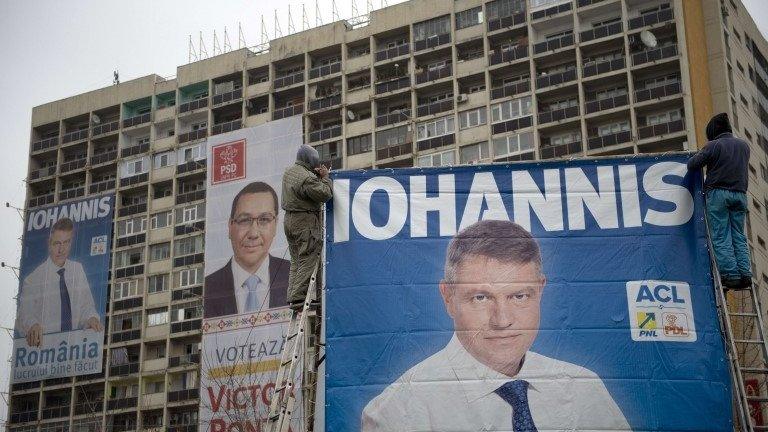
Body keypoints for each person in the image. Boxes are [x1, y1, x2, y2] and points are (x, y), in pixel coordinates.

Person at [362, 220, 630, 431]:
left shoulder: (583, 387)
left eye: (519, 296)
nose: (502, 320)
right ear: (448, 298)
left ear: (540, 291)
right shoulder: (398, 411)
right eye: (480, 297)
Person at [204, 182, 290, 318]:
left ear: (275, 225)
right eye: (244, 220)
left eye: (264, 219)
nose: (253, 233)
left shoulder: (294, 277)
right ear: (230, 226)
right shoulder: (207, 288)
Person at [687, 112, 752, 289]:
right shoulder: (744, 146)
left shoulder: (714, 145)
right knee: (738, 235)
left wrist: (703, 152)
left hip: (718, 195)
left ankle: (731, 275)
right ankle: (745, 274)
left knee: (721, 235)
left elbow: (692, 164)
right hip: (740, 195)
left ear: (713, 131)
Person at [15, 217, 102, 347]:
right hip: (45, 352)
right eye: (57, 243)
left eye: (66, 242)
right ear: (49, 243)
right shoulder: (34, 279)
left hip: (74, 348)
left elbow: (86, 306)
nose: (62, 249)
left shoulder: (77, 269)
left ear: (71, 242)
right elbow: (25, 314)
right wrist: (32, 325)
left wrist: (91, 318)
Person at [281, 145, 333, 309]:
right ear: (310, 159)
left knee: (296, 260)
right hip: (304, 221)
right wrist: (325, 178)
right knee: (308, 257)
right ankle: (298, 298)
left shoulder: (289, 172)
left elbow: (303, 186)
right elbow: (324, 194)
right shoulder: (307, 178)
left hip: (289, 220)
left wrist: (314, 175)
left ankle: (292, 296)